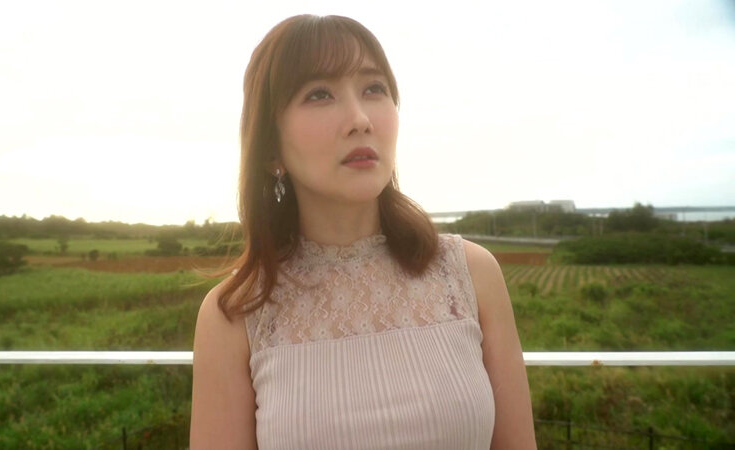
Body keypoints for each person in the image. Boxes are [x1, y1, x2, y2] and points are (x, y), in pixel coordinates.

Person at [190, 14, 536, 449]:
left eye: (374, 89)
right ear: (271, 149)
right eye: (319, 94)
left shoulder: (469, 275)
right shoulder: (237, 313)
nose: (360, 119)